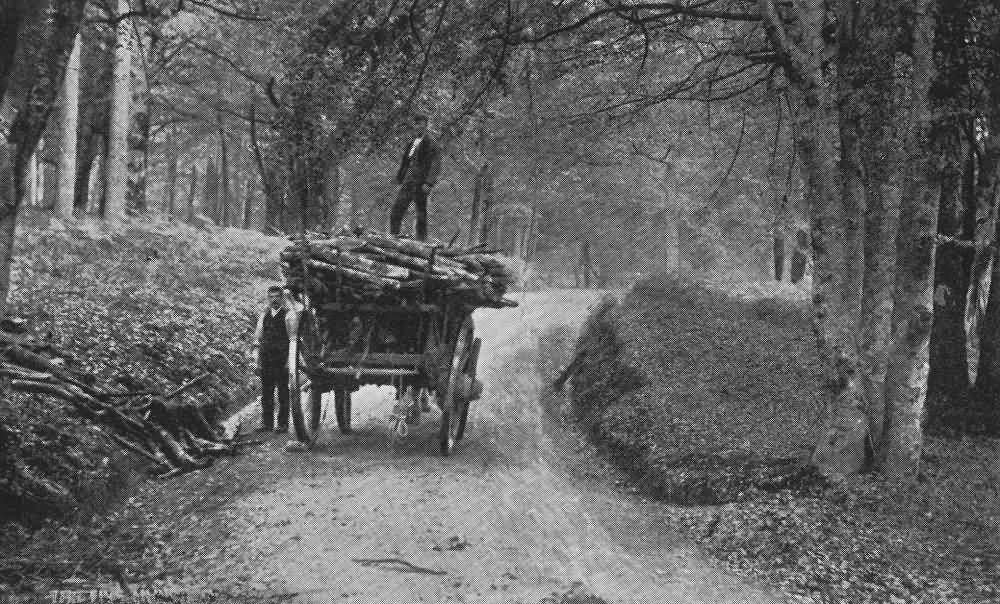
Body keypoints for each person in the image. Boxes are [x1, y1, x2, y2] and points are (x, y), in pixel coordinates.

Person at [390, 114, 442, 241]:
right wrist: (399, 177)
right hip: (409, 181)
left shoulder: (432, 143)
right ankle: (393, 236)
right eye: (416, 124)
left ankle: (421, 240)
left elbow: (436, 164)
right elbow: (406, 162)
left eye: (420, 124)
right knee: (397, 209)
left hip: (421, 183)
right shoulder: (412, 143)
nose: (417, 126)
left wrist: (429, 183)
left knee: (420, 212)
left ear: (426, 125)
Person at [253, 286, 290, 433]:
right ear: (268, 299)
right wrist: (256, 360)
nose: (274, 299)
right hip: (266, 358)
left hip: (282, 359)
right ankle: (267, 423)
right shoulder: (264, 316)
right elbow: (258, 337)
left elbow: (293, 340)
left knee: (282, 392)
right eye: (271, 297)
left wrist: (289, 361)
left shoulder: (288, 315)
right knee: (267, 392)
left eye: (277, 296)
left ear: (282, 298)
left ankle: (283, 424)